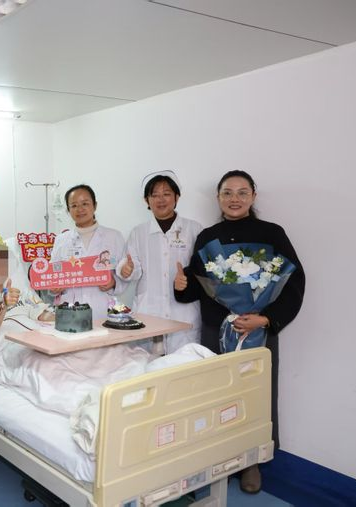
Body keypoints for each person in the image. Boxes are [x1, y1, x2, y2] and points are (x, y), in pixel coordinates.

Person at [174, 170, 305, 494]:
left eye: (242, 192)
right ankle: (213, 456)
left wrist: (265, 319)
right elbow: (197, 287)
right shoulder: (208, 237)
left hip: (258, 331)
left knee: (255, 395)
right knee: (214, 394)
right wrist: (181, 285)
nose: (235, 199)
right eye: (227, 193)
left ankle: (252, 461)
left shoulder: (272, 234)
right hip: (215, 330)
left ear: (253, 196)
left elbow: (294, 283)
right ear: (218, 197)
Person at [116, 172, 203, 353]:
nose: (160, 200)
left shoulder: (193, 229)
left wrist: (188, 281)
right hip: (149, 310)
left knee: (184, 362)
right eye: (154, 195)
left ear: (177, 197)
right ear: (146, 200)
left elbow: (203, 271)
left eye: (166, 194)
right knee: (149, 363)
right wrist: (127, 269)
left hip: (184, 312)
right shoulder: (138, 232)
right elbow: (132, 266)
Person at [51, 184, 127, 321]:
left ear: (95, 205)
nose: (80, 209)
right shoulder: (61, 240)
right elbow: (53, 274)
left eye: (85, 203)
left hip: (103, 309)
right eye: (74, 205)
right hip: (69, 311)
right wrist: (54, 287)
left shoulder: (114, 237)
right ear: (68, 210)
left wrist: (114, 283)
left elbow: (124, 275)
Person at [0, 237, 54, 335]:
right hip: (5, 343)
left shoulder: (21, 293)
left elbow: (42, 315)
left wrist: (66, 317)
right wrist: (2, 305)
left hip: (35, 340)